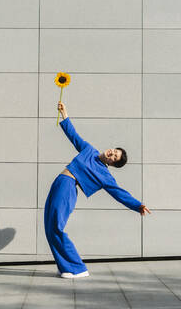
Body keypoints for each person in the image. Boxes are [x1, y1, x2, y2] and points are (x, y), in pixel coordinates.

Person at [44, 101, 151, 279]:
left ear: (112, 164)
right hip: (59, 183)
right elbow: (74, 136)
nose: (111, 153)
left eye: (114, 157)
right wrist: (65, 114)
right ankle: (65, 266)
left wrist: (137, 205)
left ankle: (77, 268)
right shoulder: (89, 150)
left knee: (55, 226)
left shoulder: (104, 175)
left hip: (67, 188)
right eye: (114, 151)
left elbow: (119, 193)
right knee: (49, 227)